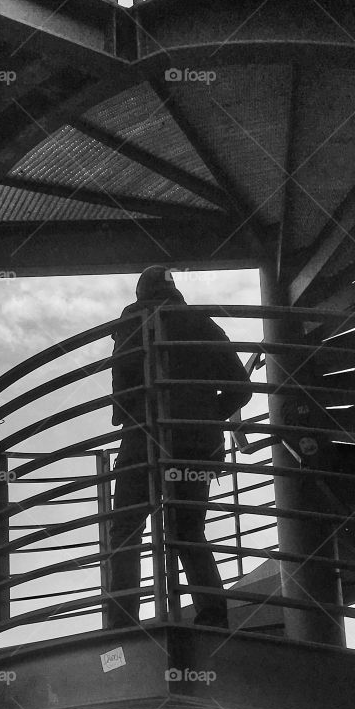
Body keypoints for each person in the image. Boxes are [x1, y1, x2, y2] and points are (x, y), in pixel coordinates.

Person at [106, 266, 252, 629]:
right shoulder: (203, 323)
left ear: (141, 291)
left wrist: (128, 415)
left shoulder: (130, 322)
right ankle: (213, 616)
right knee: (187, 530)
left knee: (125, 529)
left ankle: (123, 625)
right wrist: (208, 418)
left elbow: (121, 390)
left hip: (142, 439)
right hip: (197, 444)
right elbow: (241, 387)